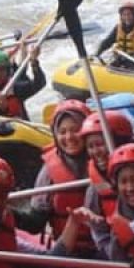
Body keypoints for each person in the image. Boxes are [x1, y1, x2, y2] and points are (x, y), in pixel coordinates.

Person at [47, 111, 134, 268]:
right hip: (117, 254)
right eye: (91, 146)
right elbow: (101, 237)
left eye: (101, 144)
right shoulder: (95, 190)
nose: (96, 151)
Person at [18, 100, 91, 245]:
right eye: (62, 132)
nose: (69, 137)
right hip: (70, 250)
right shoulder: (48, 172)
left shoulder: (103, 159)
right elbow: (35, 223)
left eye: (75, 129)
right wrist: (3, 210)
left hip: (106, 248)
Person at [0, 45, 46, 119]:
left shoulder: (15, 88)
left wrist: (34, 62)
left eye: (2, 70)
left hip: (18, 128)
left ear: (7, 71)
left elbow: (39, 84)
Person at [96, 1, 134, 67]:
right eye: (124, 15)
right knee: (111, 66)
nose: (127, 17)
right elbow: (107, 42)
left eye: (129, 14)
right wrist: (97, 54)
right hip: (121, 58)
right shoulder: (118, 27)